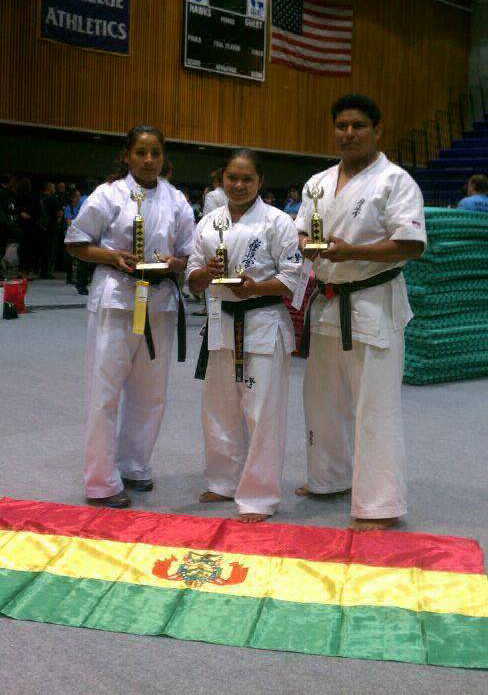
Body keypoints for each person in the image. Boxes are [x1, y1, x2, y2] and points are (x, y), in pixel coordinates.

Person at [295, 94, 426, 532]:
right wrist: (303, 246)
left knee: (375, 406)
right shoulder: (317, 182)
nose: (348, 133)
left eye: (358, 126)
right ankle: (329, 478)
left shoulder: (395, 181)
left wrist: (350, 250)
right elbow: (302, 233)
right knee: (322, 399)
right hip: (329, 302)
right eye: (342, 125)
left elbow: (410, 244)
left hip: (373, 302)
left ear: (377, 130)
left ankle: (380, 503)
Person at [65, 125, 195, 508]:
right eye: (141, 152)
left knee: (151, 392)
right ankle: (101, 481)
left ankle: (134, 463)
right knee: (104, 391)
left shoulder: (176, 199)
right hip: (117, 298)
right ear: (127, 155)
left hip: (158, 301)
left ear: (163, 156)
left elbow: (188, 250)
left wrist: (177, 262)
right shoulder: (109, 194)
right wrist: (111, 256)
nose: (149, 160)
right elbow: (76, 242)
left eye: (155, 152)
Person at [188, 148, 302, 522]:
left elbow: (292, 280)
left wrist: (255, 287)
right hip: (221, 321)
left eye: (247, 179)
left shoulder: (278, 221)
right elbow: (192, 280)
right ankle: (222, 481)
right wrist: (207, 271)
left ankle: (259, 496)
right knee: (218, 408)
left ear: (260, 182)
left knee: (262, 412)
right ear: (221, 178)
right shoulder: (208, 223)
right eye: (231, 178)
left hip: (262, 322)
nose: (238, 185)